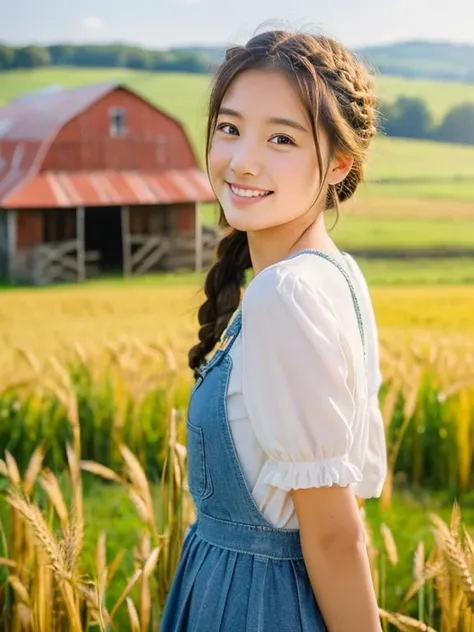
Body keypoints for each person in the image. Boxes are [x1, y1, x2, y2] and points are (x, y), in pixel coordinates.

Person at [161, 28, 387, 632]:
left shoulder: (285, 295)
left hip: (254, 607)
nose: (242, 160)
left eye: (281, 138)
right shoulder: (336, 274)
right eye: (229, 128)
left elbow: (337, 535)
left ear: (340, 162)